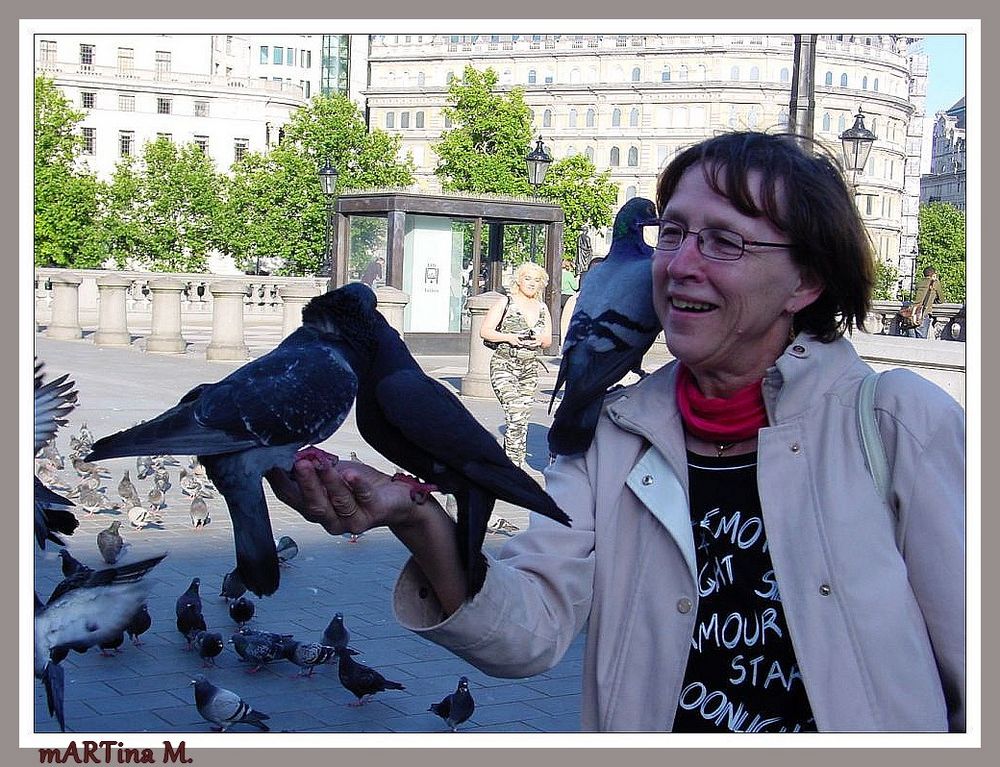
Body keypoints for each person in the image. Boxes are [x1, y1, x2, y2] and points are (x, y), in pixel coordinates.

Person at [265, 132, 965, 733]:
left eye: (723, 240)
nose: (680, 262)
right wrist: (414, 515)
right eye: (675, 233)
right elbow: (529, 630)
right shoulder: (615, 437)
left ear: (805, 281)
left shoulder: (896, 424)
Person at [479, 262, 553, 468]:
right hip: (505, 365)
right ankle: (513, 468)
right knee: (516, 412)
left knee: (521, 419)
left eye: (536, 280)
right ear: (519, 280)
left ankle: (509, 464)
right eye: (528, 278)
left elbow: (548, 340)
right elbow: (485, 331)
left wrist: (539, 340)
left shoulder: (542, 308)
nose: (532, 283)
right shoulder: (505, 302)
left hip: (529, 369)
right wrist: (510, 337)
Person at [912, 266, 944, 339]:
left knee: (912, 339)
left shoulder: (919, 282)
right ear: (933, 275)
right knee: (921, 338)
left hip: (913, 312)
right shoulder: (935, 284)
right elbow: (941, 300)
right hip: (924, 313)